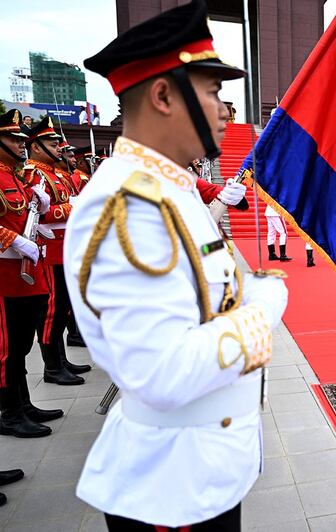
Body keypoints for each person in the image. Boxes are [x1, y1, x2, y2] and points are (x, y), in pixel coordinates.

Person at [65, 1, 288, 529]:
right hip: (171, 486)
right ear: (164, 95)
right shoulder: (128, 204)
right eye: (211, 92)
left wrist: (247, 291)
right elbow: (160, 373)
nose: (223, 109)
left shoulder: (171, 189)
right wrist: (266, 310)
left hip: (202, 463)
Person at [0, 109, 64, 442]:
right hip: (7, 277)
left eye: (22, 138)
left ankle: (23, 403)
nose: (20, 144)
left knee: (21, 346)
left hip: (27, 273)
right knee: (9, 348)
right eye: (12, 138)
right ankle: (10, 412)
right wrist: (14, 241)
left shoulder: (16, 176)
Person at [22, 117, 89, 385]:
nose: (59, 147)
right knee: (52, 310)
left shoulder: (55, 173)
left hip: (64, 247)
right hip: (48, 249)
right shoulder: (33, 173)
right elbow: (39, 214)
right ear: (36, 146)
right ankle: (52, 365)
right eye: (52, 142)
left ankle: (60, 359)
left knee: (62, 308)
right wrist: (75, 206)